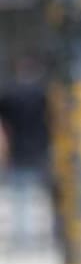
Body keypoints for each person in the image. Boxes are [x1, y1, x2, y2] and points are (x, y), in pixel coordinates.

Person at [0, 55, 52, 250]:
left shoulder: (9, 95)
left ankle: (22, 239)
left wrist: (3, 151)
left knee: (20, 197)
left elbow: (2, 127)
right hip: (41, 149)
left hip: (17, 150)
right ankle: (49, 235)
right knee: (48, 196)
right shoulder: (43, 94)